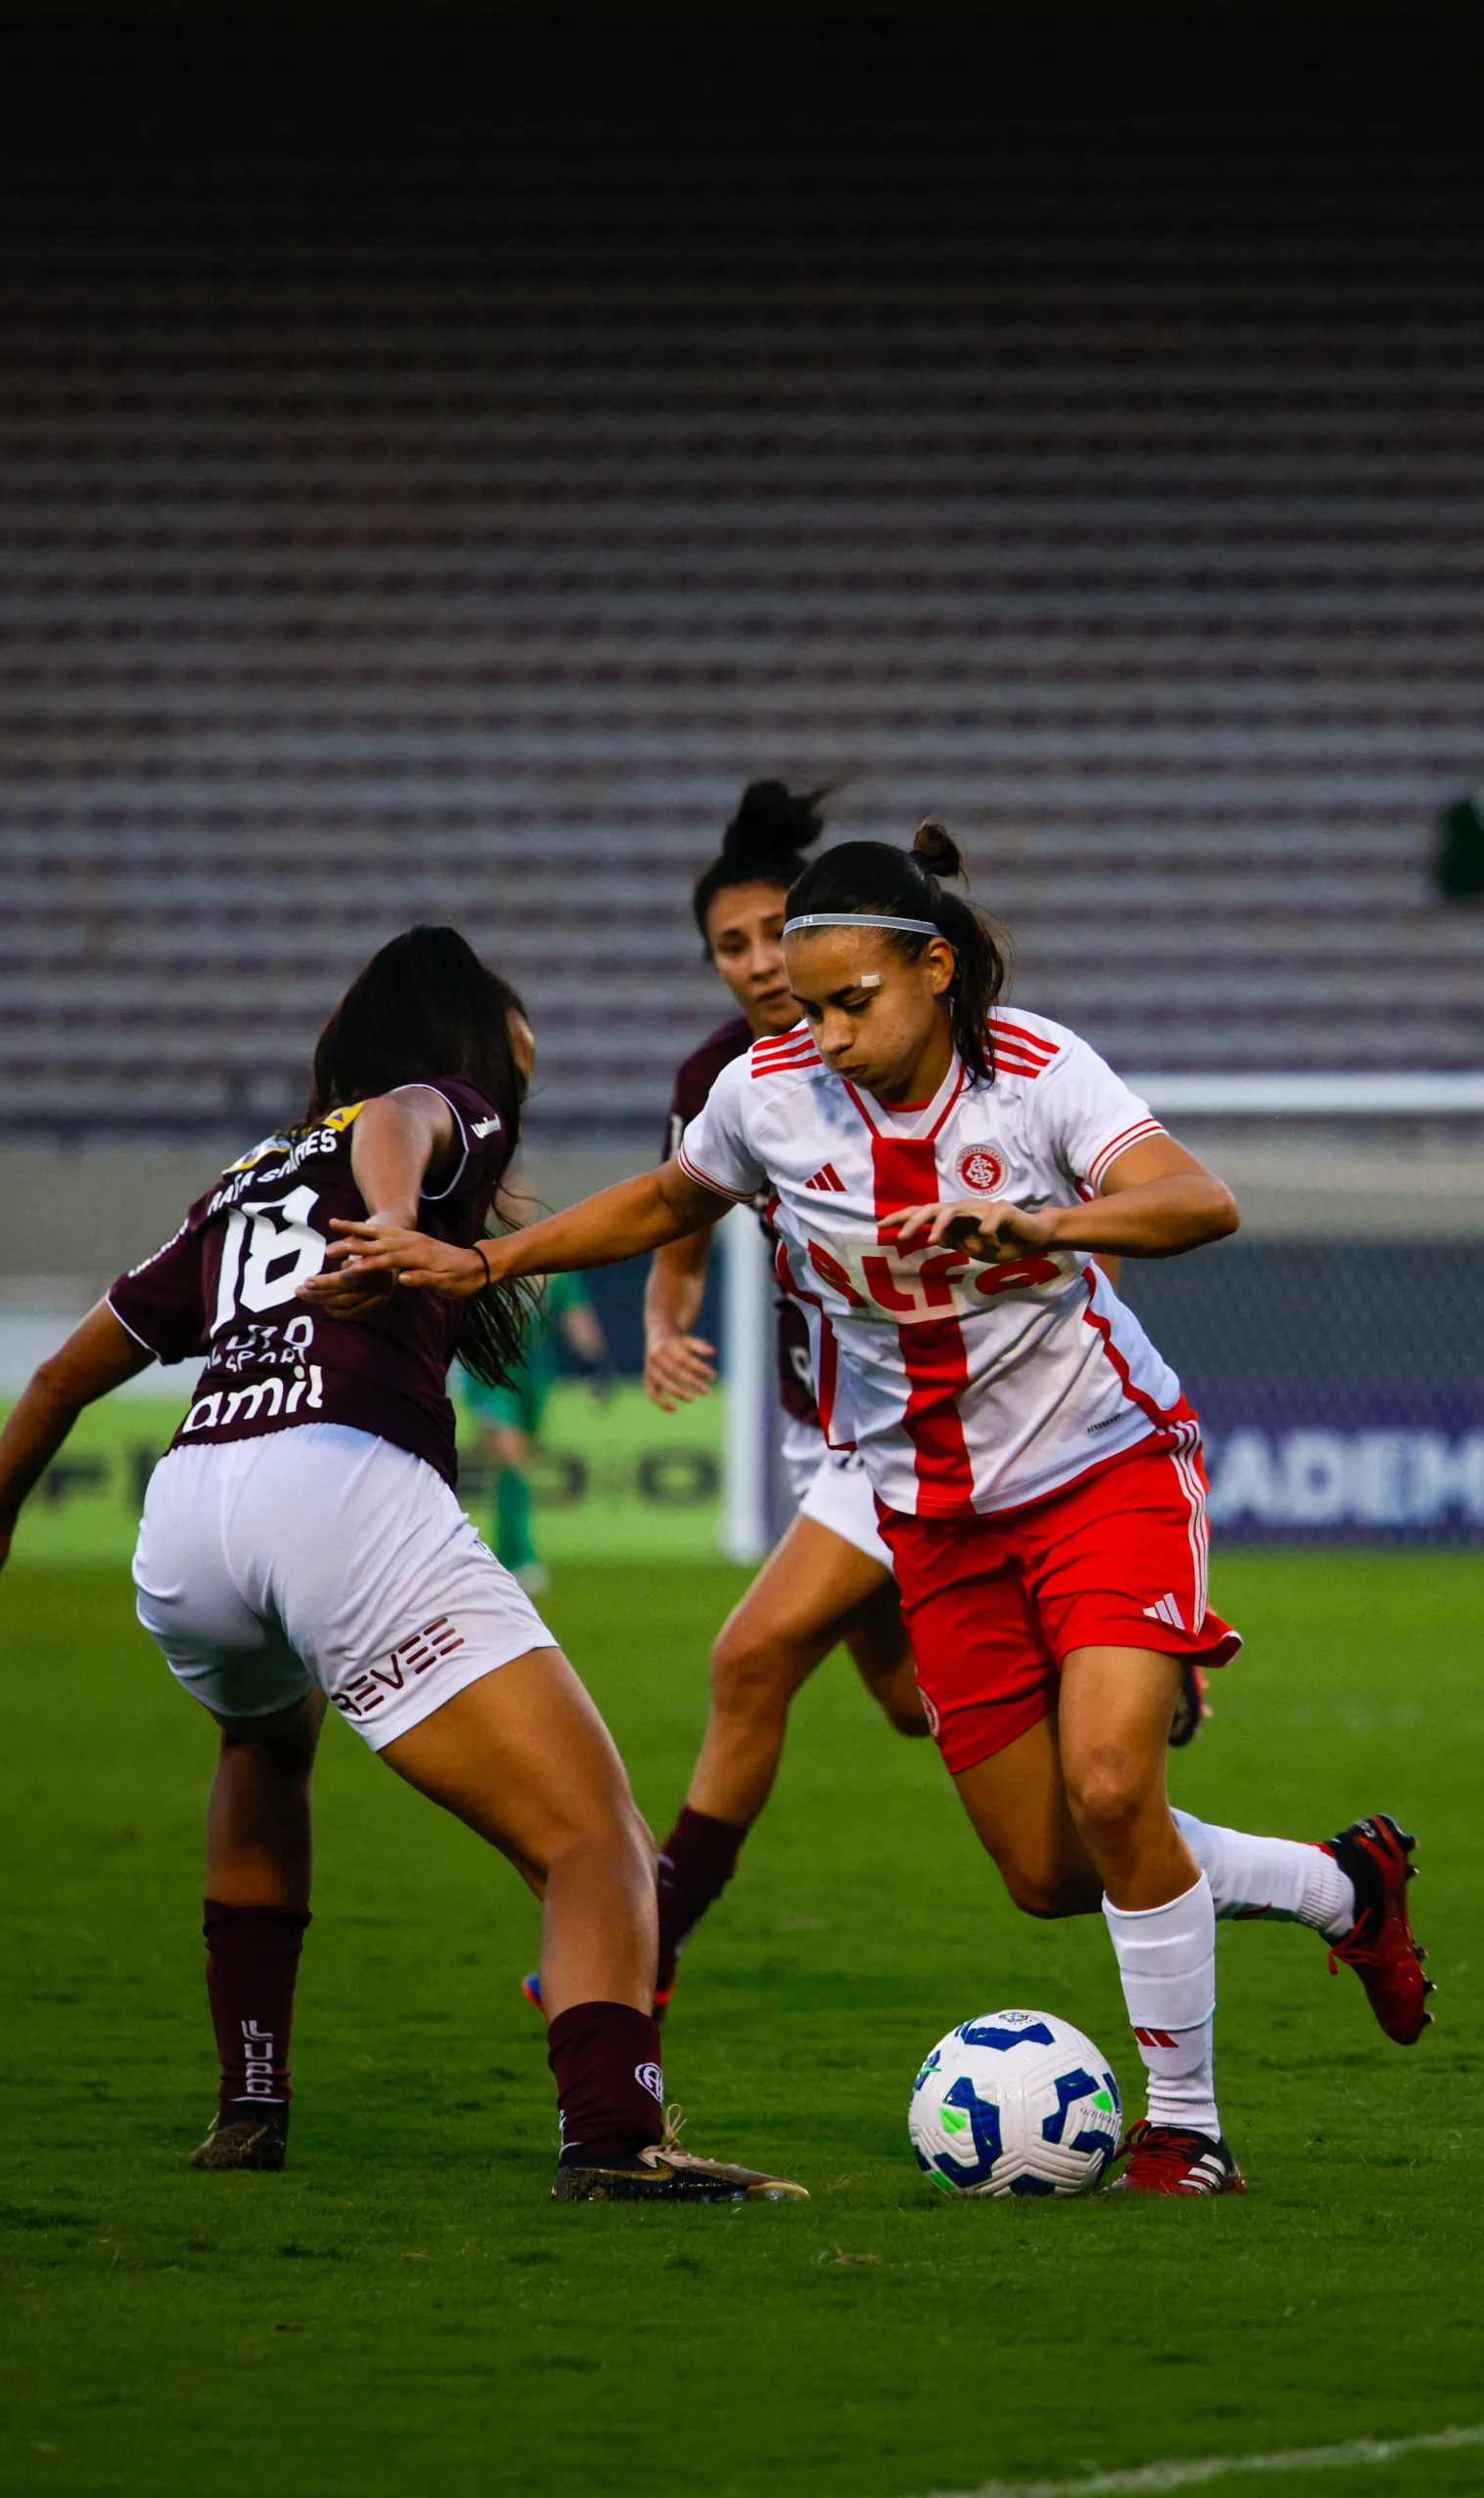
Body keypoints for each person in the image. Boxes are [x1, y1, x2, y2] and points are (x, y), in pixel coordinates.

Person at [321, 841, 1434, 2198]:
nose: (823, 1032)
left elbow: (1200, 1199)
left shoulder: (1036, 1071)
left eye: (852, 1002)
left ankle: (1186, 2132)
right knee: (1048, 1867)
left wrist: (1045, 1226)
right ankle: (1344, 1888)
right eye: (803, 1002)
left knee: (1108, 1781)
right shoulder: (767, 1094)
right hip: (927, 1512)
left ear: (934, 966)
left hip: (1104, 1468)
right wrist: (483, 1257)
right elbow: (674, 1196)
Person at [0, 925, 806, 2207]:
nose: (523, 1064)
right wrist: (391, 1218)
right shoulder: (439, 1112)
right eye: (514, 1035)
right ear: (470, 1037)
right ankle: (614, 2139)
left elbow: (68, 1370)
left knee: (265, 1749)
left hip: (191, 1512)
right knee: (595, 1839)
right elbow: (400, 1116)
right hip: (332, 1483)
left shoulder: (242, 1185)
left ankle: (251, 2101)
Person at [639, 781, 929, 2018]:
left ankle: (636, 1946)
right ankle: (1125, 1660)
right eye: (732, 947)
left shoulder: (904, 1035)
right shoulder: (723, 1078)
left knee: (747, 1663)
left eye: (776, 936)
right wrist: (663, 1325)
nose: (759, 964)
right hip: (824, 1426)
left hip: (917, 1417)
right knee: (917, 1707)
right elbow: (679, 1229)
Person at [461, 1269, 608, 1594]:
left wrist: (595, 1365)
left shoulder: (557, 1269)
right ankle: (521, 1558)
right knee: (510, 1455)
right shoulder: (480, 1257)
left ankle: (503, 1554)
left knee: (517, 1467)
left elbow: (577, 1318)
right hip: (488, 1376)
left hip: (533, 1379)